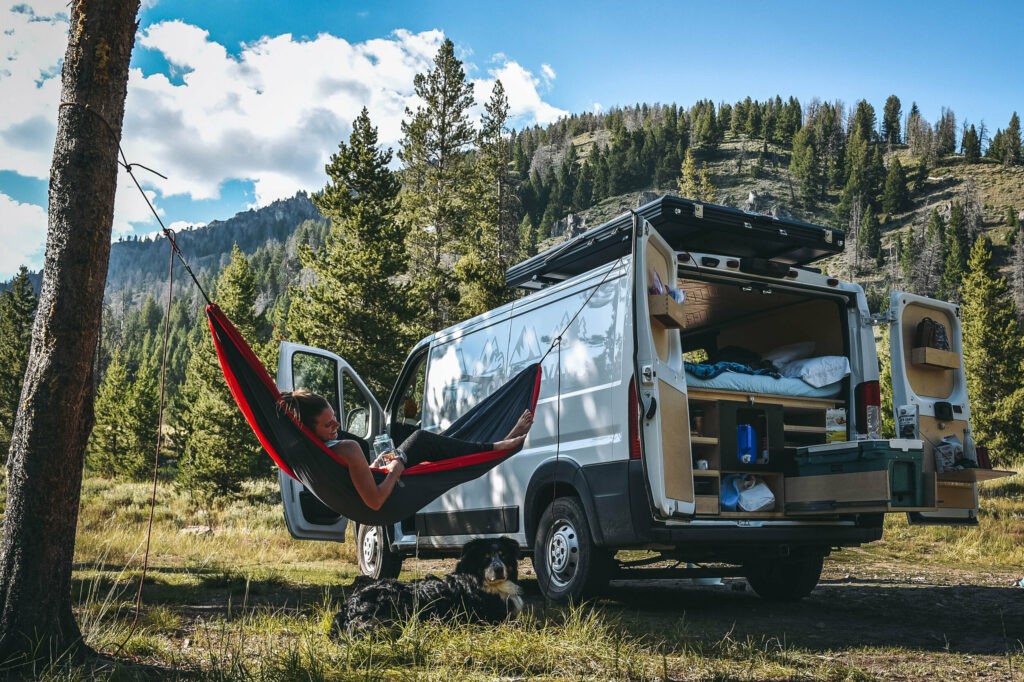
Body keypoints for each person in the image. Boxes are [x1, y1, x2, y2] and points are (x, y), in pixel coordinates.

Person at [278, 389, 533, 511]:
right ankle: (496, 445)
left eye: (335, 417)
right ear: (310, 429)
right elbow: (375, 501)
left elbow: (355, 478)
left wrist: (378, 464)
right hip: (387, 499)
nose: (336, 424)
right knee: (422, 439)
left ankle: (493, 445)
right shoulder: (348, 447)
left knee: (438, 443)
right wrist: (396, 467)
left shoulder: (317, 450)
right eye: (328, 423)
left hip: (379, 476)